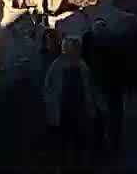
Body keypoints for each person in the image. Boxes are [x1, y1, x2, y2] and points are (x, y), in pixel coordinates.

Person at [44, 34, 103, 166]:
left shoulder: (82, 67)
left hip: (79, 110)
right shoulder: (57, 67)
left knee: (79, 142)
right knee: (63, 143)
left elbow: (90, 89)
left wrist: (92, 107)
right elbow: (49, 90)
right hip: (63, 110)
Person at [82, 20, 128, 157]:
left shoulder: (91, 43)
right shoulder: (114, 43)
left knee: (101, 114)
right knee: (113, 114)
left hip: (101, 83)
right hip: (111, 83)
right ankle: (113, 142)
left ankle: (102, 145)